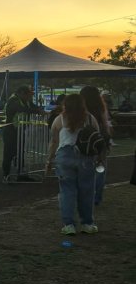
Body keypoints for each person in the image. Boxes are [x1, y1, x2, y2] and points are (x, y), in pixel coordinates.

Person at [45, 94, 99, 235]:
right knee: (87, 191)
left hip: (64, 156)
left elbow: (54, 142)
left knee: (66, 191)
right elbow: (97, 138)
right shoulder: (90, 118)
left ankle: (68, 224)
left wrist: (49, 160)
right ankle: (87, 223)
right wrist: (100, 158)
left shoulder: (59, 119)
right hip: (86, 157)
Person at [80, 85, 112, 207]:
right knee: (100, 169)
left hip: (85, 142)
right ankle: (97, 197)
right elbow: (105, 125)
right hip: (100, 140)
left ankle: (85, 196)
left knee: (84, 169)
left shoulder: (81, 109)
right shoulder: (101, 108)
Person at [2, 85, 42, 182]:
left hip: (20, 131)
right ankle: (6, 176)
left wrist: (40, 110)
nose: (30, 97)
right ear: (22, 93)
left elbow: (33, 107)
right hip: (10, 131)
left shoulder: (25, 101)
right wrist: (38, 111)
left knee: (20, 152)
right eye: (28, 95)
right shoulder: (13, 101)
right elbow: (22, 109)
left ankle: (21, 175)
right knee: (9, 153)